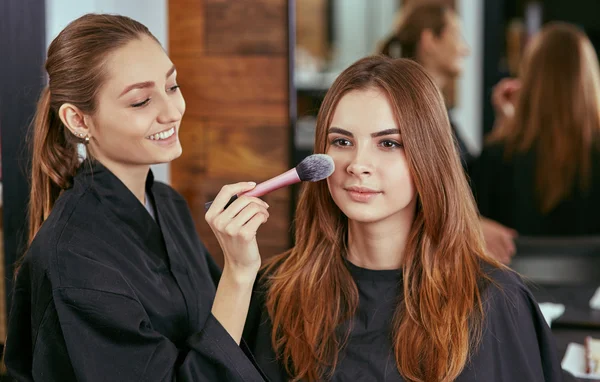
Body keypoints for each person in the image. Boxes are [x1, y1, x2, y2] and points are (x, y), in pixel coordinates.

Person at [243, 56, 563, 382]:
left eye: (388, 143)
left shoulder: (495, 301)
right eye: (342, 141)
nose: (358, 164)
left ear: (428, 156)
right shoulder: (277, 292)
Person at [4, 13, 269, 381]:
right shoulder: (74, 259)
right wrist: (238, 272)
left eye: (172, 86)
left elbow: (225, 322)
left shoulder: (166, 203)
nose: (172, 111)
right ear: (79, 120)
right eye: (141, 101)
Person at [379, 2, 518, 264]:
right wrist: (470, 226)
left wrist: (502, 124)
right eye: (456, 36)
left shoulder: (437, 109)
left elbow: (464, 177)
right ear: (430, 40)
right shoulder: (407, 107)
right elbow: (414, 189)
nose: (465, 49)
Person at [473, 22, 600, 236]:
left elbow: (459, 225)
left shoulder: (497, 158)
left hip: (512, 271)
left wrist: (502, 130)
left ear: (530, 81)